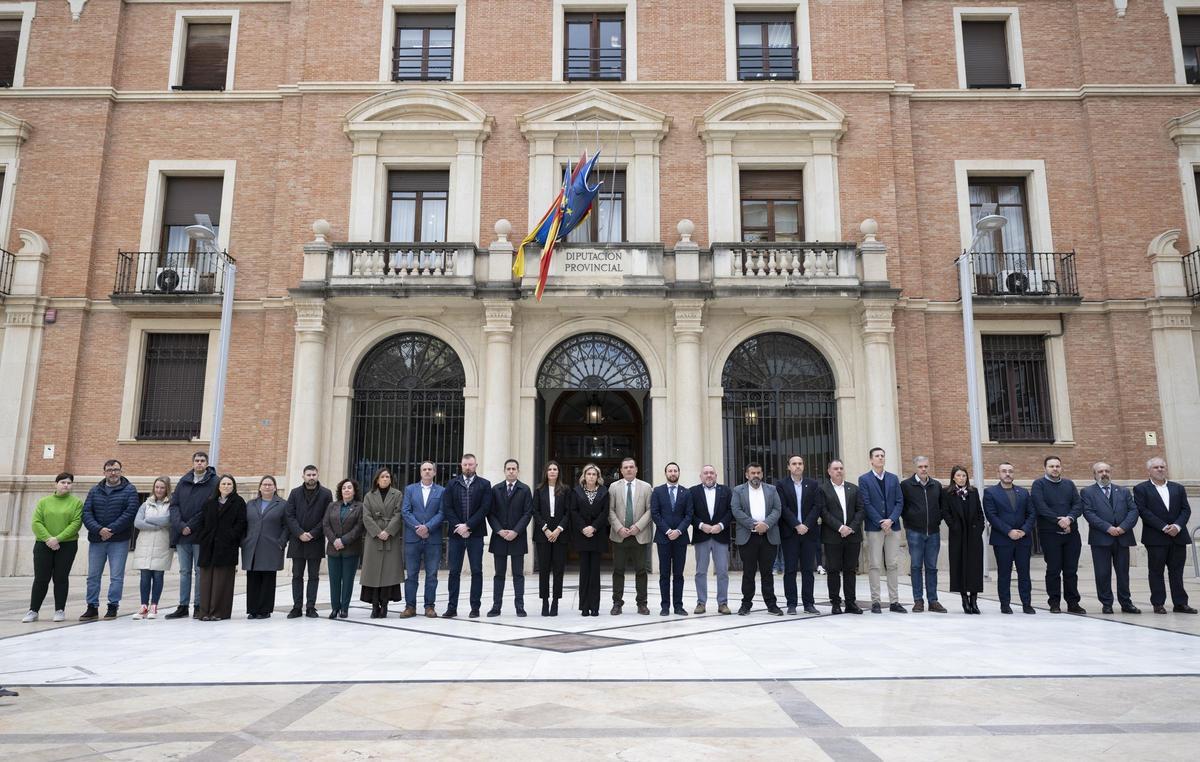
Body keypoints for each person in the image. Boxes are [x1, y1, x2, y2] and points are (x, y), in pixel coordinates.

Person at [1133, 457, 1196, 614]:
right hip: (1156, 538)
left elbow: (1185, 510)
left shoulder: (1178, 488)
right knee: (1156, 571)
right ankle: (1158, 603)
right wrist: (1163, 527)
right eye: (1156, 467)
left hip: (1178, 536)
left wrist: (1177, 526)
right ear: (1149, 470)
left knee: (1177, 571)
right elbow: (1143, 511)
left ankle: (1180, 603)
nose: (1160, 469)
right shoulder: (1141, 489)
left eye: (1162, 467)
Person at [80, 459, 140, 621]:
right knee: (93, 576)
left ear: (121, 471)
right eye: (109, 470)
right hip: (97, 539)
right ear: (104, 472)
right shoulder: (94, 491)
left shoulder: (129, 490)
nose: (113, 473)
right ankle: (92, 607)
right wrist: (99, 529)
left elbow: (130, 513)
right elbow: (86, 513)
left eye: (116, 469)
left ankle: (113, 606)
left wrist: (111, 530)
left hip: (119, 540)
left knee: (116, 576)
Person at [1080, 462, 1140, 615]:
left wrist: (1122, 528)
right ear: (1094, 474)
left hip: (1123, 537)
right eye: (1100, 471)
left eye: (1107, 471)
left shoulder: (1123, 491)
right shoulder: (1087, 492)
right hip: (1101, 539)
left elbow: (1133, 511)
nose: (1104, 473)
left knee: (1123, 573)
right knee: (1102, 573)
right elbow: (1089, 513)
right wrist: (1108, 528)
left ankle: (1126, 603)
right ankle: (1106, 604)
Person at [23, 473, 83, 624]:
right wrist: (49, 539)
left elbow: (76, 523)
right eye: (62, 482)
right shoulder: (44, 502)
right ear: (55, 484)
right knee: (41, 579)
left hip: (67, 545)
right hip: (43, 544)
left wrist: (58, 538)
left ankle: (59, 610)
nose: (66, 485)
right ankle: (33, 610)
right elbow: (36, 522)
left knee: (61, 578)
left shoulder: (76, 503)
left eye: (69, 483)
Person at [1031, 456, 1086, 614]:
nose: (1055, 469)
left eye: (1057, 466)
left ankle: (1073, 602)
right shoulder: (1039, 484)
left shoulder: (1069, 484)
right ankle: (1054, 602)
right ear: (1045, 468)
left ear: (1061, 468)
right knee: (1054, 569)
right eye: (1051, 466)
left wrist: (1069, 519)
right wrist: (1058, 521)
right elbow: (1040, 506)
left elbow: (1077, 504)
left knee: (1071, 570)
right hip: (1050, 534)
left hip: (1071, 533)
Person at [442, 453, 493, 618]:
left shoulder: (485, 484)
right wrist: (459, 526)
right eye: (465, 465)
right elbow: (447, 508)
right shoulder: (451, 484)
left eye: (471, 465)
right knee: (454, 571)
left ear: (476, 465)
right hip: (456, 534)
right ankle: (452, 607)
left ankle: (475, 608)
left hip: (476, 534)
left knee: (476, 571)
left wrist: (468, 525)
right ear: (461, 465)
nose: (468, 467)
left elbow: (485, 508)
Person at [166, 452, 215, 619]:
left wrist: (190, 526)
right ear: (193, 462)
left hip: (199, 534)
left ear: (207, 464)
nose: (199, 463)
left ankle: (198, 605)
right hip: (182, 535)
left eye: (202, 461)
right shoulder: (184, 480)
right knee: (184, 571)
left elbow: (208, 508)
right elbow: (174, 505)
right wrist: (180, 526)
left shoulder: (213, 482)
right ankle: (183, 606)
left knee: (199, 571)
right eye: (196, 461)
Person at [858, 447, 906, 614]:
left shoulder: (893, 479)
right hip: (874, 527)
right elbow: (866, 503)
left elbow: (900, 501)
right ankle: (876, 601)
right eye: (877, 456)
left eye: (882, 456)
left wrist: (891, 520)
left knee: (892, 564)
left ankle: (894, 601)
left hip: (893, 527)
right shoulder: (864, 479)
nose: (880, 458)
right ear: (871, 460)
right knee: (875, 565)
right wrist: (880, 521)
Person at [731, 462, 783, 616]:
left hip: (768, 536)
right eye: (752, 473)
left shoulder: (772, 490)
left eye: (758, 473)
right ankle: (746, 604)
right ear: (747, 475)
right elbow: (736, 510)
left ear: (762, 474)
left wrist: (766, 524)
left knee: (767, 573)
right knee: (748, 572)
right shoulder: (738, 491)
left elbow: (777, 509)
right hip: (748, 537)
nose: (756, 476)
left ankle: (771, 605)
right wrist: (754, 525)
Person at [983, 462, 1035, 615]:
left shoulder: (1023, 492)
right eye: (1004, 471)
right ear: (998, 474)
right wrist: (1009, 531)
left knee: (1024, 573)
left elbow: (1032, 514)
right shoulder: (991, 493)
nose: (1007, 474)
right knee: (1004, 573)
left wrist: (1024, 531)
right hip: (1003, 539)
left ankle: (1027, 604)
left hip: (1023, 539)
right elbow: (991, 516)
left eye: (1010, 471)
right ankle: (1005, 604)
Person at [775, 455, 824, 615]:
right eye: (794, 464)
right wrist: (796, 525)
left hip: (808, 533)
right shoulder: (781, 485)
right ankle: (791, 604)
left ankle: (809, 603)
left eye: (800, 463)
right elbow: (783, 507)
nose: (797, 466)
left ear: (803, 466)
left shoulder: (813, 484)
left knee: (808, 570)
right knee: (790, 570)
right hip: (790, 533)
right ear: (788, 467)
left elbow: (817, 507)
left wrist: (806, 525)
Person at [196, 475, 247, 621]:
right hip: (208, 547)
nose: (226, 486)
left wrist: (231, 536)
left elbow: (241, 523)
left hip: (226, 547)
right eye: (223, 483)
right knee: (206, 581)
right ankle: (205, 612)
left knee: (221, 581)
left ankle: (218, 612)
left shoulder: (239, 502)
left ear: (233, 486)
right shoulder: (209, 502)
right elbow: (201, 521)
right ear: (219, 486)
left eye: (229, 484)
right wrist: (203, 537)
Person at [608, 457, 653, 615]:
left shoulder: (646, 487)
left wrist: (637, 527)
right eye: (625, 467)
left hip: (639, 536)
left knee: (641, 571)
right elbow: (610, 510)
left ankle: (642, 603)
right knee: (618, 570)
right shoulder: (613, 487)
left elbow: (650, 510)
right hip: (619, 536)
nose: (628, 469)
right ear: (621, 470)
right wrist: (619, 528)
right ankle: (617, 603)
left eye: (631, 467)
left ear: (636, 469)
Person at [488, 459, 533, 617]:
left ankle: (519, 607)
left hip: (518, 538)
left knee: (518, 574)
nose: (511, 471)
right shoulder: (495, 489)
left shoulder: (525, 490)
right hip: (499, 538)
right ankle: (496, 607)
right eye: (508, 468)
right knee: (499, 574)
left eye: (514, 468)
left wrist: (516, 531)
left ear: (518, 471)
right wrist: (499, 530)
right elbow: (490, 513)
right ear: (504, 470)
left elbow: (527, 513)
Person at [901, 456, 946, 613]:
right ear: (915, 468)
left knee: (932, 567)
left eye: (926, 466)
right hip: (914, 532)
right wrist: (910, 521)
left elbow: (942, 507)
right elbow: (902, 507)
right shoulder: (906, 485)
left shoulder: (936, 485)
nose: (924, 469)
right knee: (915, 566)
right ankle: (918, 600)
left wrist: (936, 520)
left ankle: (933, 600)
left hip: (933, 532)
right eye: (920, 466)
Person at [285, 465, 331, 618]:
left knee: (313, 576)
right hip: (297, 541)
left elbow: (327, 517)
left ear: (318, 475)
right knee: (297, 575)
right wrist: (299, 533)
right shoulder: (294, 493)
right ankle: (297, 607)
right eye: (308, 475)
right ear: (303, 476)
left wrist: (312, 533)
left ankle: (311, 607)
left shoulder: (326, 494)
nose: (311, 477)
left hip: (315, 540)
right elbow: (289, 516)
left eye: (314, 474)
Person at [819, 460, 864, 614]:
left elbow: (860, 510)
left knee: (850, 570)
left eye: (841, 468)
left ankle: (851, 602)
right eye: (835, 469)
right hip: (833, 536)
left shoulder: (854, 489)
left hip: (852, 536)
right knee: (833, 570)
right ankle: (835, 602)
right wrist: (840, 527)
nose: (839, 471)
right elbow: (823, 512)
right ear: (829, 471)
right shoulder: (823, 490)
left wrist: (851, 527)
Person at [401, 461, 444, 618]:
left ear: (434, 473)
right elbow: (405, 511)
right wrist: (418, 527)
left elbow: (442, 513)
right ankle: (410, 606)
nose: (427, 472)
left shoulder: (441, 491)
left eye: (430, 469)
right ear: (420, 472)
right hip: (413, 538)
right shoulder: (410, 489)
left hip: (433, 539)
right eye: (424, 469)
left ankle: (429, 607)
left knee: (432, 574)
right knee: (411, 574)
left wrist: (428, 527)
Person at [242, 476, 289, 619]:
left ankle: (265, 610)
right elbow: (243, 523)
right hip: (252, 546)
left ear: (275, 487)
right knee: (253, 578)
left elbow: (287, 526)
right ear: (260, 487)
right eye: (264, 484)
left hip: (272, 546)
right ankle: (252, 609)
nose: (267, 487)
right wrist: (243, 541)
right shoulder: (250, 504)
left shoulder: (282, 504)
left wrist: (281, 541)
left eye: (270, 485)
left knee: (268, 579)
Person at [362, 467, 405, 618]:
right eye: (382, 477)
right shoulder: (369, 496)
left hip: (390, 538)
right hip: (374, 539)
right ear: (377, 479)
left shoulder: (397, 494)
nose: (385, 479)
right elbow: (366, 516)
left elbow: (399, 514)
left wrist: (388, 531)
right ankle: (374, 605)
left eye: (387, 476)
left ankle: (385, 604)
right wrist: (378, 532)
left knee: (389, 573)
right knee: (373, 573)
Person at [651, 462, 693, 616]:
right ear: (666, 473)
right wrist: (668, 530)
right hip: (663, 538)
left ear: (679, 473)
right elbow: (655, 513)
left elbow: (689, 515)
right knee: (664, 574)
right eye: (670, 470)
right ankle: (665, 606)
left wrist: (679, 531)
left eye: (675, 470)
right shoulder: (657, 491)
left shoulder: (686, 492)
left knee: (678, 574)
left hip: (680, 539)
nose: (673, 473)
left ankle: (678, 606)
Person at [941, 466, 984, 614]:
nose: (961, 478)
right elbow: (945, 512)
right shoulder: (947, 493)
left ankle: (974, 600)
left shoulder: (973, 492)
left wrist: (979, 529)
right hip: (958, 535)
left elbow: (980, 512)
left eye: (964, 476)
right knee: (960, 566)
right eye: (958, 475)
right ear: (953, 477)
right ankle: (964, 599)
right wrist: (953, 526)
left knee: (974, 567)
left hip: (973, 535)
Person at [690, 464, 732, 615]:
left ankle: (723, 603)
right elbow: (690, 513)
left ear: (716, 475)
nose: (709, 475)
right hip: (702, 536)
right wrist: (701, 525)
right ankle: (701, 603)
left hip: (720, 536)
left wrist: (720, 525)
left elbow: (730, 511)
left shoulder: (726, 491)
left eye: (711, 473)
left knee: (722, 571)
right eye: (706, 473)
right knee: (700, 571)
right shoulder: (693, 492)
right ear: (701, 476)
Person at [130, 477, 174, 620]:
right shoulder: (145, 504)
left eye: (162, 487)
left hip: (162, 544)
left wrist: (148, 520)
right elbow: (137, 522)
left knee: (158, 575)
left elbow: (167, 520)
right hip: (145, 544)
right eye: (157, 487)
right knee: (145, 576)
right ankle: (143, 606)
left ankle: (154, 606)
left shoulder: (171, 504)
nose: (159, 490)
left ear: (167, 488)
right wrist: (157, 525)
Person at [533, 460, 571, 616]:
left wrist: (558, 529)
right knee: (544, 570)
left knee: (558, 570)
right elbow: (535, 511)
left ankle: (555, 601)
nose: (553, 472)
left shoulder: (565, 489)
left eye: (555, 469)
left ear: (558, 472)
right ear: (546, 472)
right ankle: (545, 601)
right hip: (543, 535)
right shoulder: (539, 489)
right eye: (550, 469)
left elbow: (568, 512)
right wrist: (546, 530)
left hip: (560, 535)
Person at [571, 462, 609, 617]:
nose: (591, 476)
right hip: (582, 536)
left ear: (598, 477)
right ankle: (584, 607)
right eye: (589, 474)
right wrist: (583, 528)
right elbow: (573, 511)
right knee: (584, 572)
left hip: (597, 535)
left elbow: (604, 513)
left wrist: (593, 527)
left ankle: (595, 607)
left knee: (595, 573)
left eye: (594, 474)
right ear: (584, 476)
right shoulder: (576, 491)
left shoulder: (604, 492)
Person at [323, 478, 365, 619]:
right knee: (334, 580)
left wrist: (344, 540)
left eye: (349, 488)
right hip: (333, 548)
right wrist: (334, 540)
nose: (346, 490)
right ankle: (335, 608)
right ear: (340, 491)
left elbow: (359, 527)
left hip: (351, 549)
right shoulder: (332, 506)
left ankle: (344, 608)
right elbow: (326, 525)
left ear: (354, 491)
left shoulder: (360, 507)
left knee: (347, 580)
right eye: (344, 488)